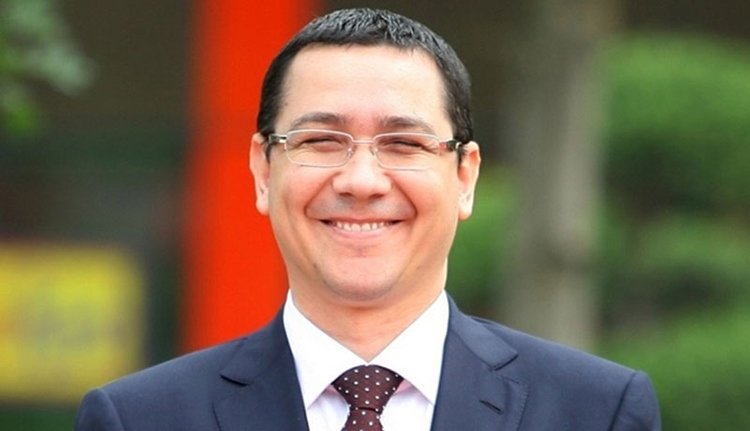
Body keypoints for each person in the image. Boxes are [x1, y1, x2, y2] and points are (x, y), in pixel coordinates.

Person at [75, 8, 661, 431]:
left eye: (403, 143)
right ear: (263, 170)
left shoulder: (595, 411)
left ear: (464, 177)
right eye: (322, 140)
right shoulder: (139, 418)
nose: (361, 181)